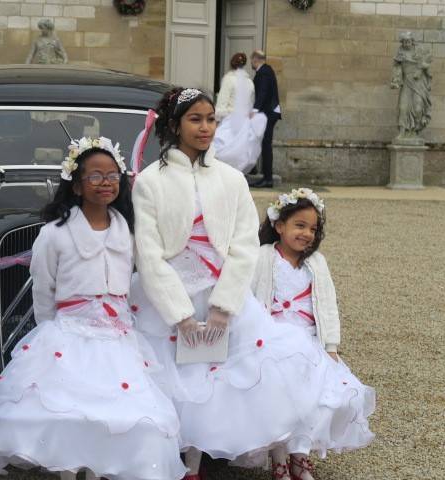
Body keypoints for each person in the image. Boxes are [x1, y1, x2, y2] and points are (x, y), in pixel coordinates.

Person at [129, 87, 333, 479]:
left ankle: (206, 458)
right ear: (174, 125)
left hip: (224, 297)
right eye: (195, 119)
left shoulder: (231, 179)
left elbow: (243, 246)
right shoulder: (150, 181)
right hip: (168, 298)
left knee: (223, 380)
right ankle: (178, 462)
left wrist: (223, 307)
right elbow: (148, 253)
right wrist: (181, 315)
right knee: (175, 382)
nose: (205, 128)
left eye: (211, 119)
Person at [0, 137, 186, 480]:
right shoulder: (55, 234)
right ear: (77, 183)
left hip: (117, 338)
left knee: (122, 411)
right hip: (69, 334)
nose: (105, 183)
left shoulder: (126, 230)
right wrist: (50, 337)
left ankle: (100, 469)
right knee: (68, 411)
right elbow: (43, 289)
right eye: (95, 176)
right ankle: (68, 472)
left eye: (113, 175)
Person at [252, 188, 376, 479]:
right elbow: (248, 298)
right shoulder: (262, 257)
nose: (307, 233)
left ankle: (301, 455)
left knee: (321, 399)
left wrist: (331, 344)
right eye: (299, 225)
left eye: (313, 228)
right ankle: (280, 459)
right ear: (278, 225)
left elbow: (328, 305)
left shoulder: (316, 264)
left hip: (309, 342)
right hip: (272, 342)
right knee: (280, 400)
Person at [213, 52, 268, 174]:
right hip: (244, 124)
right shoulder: (249, 82)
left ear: (231, 64)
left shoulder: (229, 80)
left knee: (220, 151)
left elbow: (222, 104)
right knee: (240, 154)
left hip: (230, 121)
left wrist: (216, 120)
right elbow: (251, 103)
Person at [251, 50, 281, 188]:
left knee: (266, 144)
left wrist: (255, 110)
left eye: (252, 60)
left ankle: (268, 178)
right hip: (270, 112)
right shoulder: (267, 70)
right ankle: (264, 175)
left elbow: (262, 92)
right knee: (265, 143)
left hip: (269, 112)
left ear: (255, 59)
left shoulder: (263, 72)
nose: (251, 63)